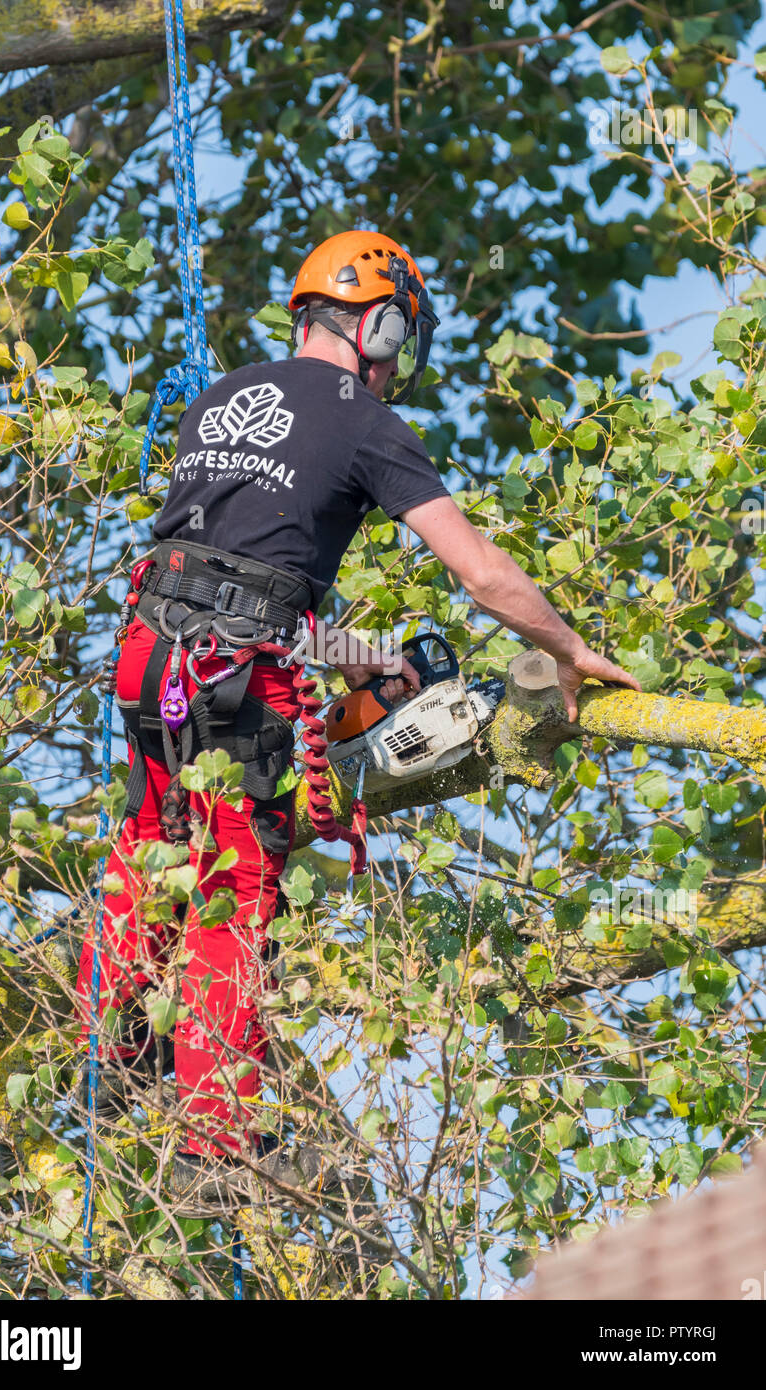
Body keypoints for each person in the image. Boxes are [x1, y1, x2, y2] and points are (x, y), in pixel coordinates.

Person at [75, 229, 640, 1212]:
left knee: (146, 848)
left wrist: (362, 658)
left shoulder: (218, 400)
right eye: (397, 339)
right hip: (232, 674)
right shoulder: (361, 420)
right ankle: (216, 1151)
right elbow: (480, 573)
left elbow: (236, 574)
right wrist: (565, 647)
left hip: (147, 653)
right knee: (231, 885)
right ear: (379, 322)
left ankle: (113, 1059)